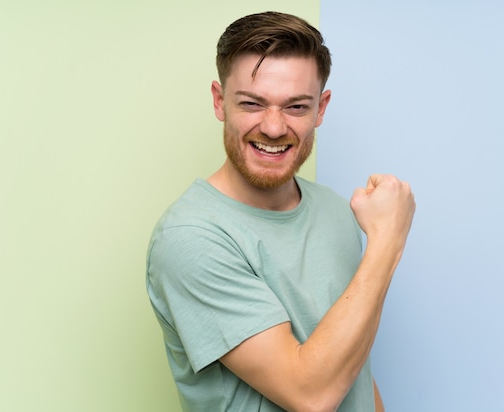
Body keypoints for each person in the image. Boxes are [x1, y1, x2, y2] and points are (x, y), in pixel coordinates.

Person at [146, 11, 415, 411]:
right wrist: (388, 241)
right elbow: (310, 394)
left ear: (320, 109)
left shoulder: (336, 212)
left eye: (296, 107)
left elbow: (352, 364)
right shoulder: (191, 237)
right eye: (252, 103)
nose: (273, 128)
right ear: (221, 102)